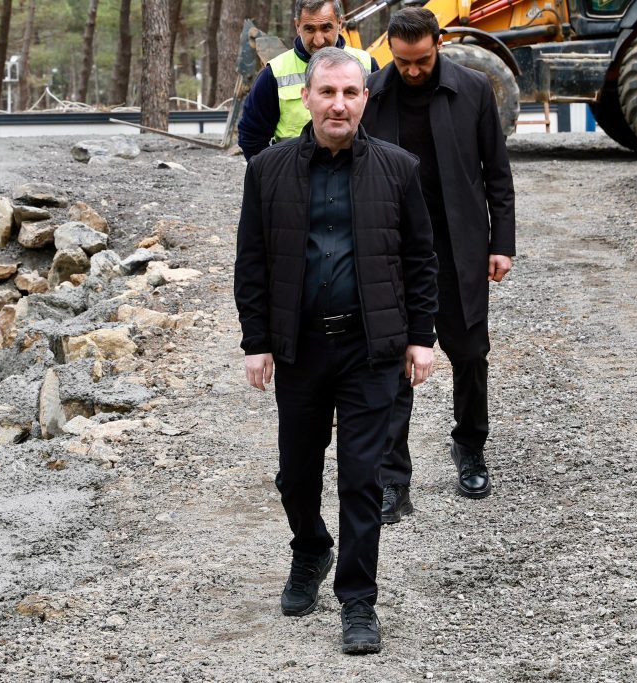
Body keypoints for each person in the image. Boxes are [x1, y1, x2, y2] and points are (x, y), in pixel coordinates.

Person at [234, 47, 439, 653]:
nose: (339, 104)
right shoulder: (267, 170)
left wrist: (421, 337)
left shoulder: (399, 169)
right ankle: (310, 549)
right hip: (299, 350)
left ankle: (358, 601)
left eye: (350, 93)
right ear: (308, 98)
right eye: (327, 92)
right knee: (295, 475)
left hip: (369, 349)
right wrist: (256, 341)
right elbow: (252, 262)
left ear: (365, 99)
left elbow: (420, 260)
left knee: (362, 479)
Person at [361, 7, 516, 521]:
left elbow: (497, 173)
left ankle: (469, 448)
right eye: (402, 61)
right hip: (390, 251)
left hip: (458, 249)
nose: (412, 70)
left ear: (439, 44)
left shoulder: (473, 89)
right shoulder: (370, 93)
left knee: (469, 354)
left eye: (422, 60)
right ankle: (392, 479)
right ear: (390, 49)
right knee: (391, 362)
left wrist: (501, 243)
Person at [237, 0, 378, 161]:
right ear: (297, 26)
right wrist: (273, 172)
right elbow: (251, 136)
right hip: (295, 173)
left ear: (340, 23)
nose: (319, 41)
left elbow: (384, 125)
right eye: (310, 29)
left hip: (357, 171)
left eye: (326, 28)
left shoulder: (367, 65)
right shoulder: (275, 73)